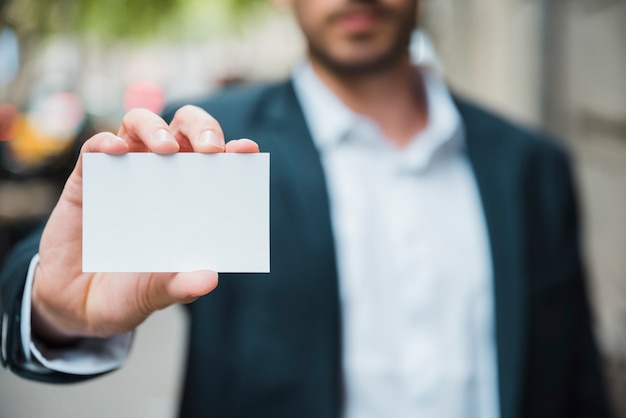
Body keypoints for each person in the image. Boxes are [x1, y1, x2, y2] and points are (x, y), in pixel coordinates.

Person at [0, 0, 614, 417]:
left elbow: (574, 380)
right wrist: (54, 309)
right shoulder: (209, 146)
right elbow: (55, 268)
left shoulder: (531, 165)